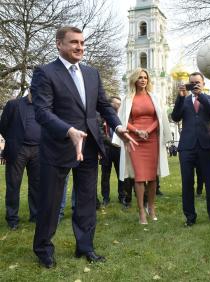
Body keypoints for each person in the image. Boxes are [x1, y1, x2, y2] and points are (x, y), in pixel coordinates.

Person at [31, 26, 136, 269]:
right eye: (74, 42)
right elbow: (42, 112)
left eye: (82, 42)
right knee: (50, 201)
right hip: (58, 146)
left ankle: (85, 246)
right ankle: (43, 249)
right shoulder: (44, 73)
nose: (80, 47)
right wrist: (68, 131)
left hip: (89, 146)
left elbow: (104, 106)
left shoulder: (91, 73)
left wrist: (118, 127)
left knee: (87, 200)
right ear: (59, 44)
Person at [113, 67, 171, 225]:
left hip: (152, 139)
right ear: (134, 80)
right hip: (134, 141)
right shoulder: (127, 99)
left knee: (152, 178)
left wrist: (148, 130)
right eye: (140, 77)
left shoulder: (155, 97)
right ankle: (141, 212)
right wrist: (137, 131)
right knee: (139, 177)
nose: (143, 80)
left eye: (145, 77)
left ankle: (151, 208)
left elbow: (159, 118)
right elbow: (124, 121)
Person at [171, 72, 210, 226]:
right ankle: (190, 217)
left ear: (203, 84)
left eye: (197, 82)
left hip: (207, 145)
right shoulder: (184, 101)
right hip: (187, 147)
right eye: (192, 83)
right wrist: (180, 97)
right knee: (187, 182)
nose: (195, 85)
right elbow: (175, 117)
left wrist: (202, 96)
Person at [0, 92, 40, 230]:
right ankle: (12, 219)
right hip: (18, 150)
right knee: (13, 185)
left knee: (36, 185)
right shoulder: (14, 104)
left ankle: (35, 215)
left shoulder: (42, 106)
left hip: (38, 150)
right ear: (31, 89)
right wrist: (13, 140)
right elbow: (3, 126)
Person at [99, 96, 125, 206]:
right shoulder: (102, 116)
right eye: (117, 104)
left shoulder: (122, 118)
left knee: (121, 174)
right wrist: (111, 141)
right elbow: (100, 132)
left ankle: (122, 196)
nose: (119, 106)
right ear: (110, 104)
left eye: (120, 104)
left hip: (119, 150)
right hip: (106, 150)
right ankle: (105, 198)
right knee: (105, 175)